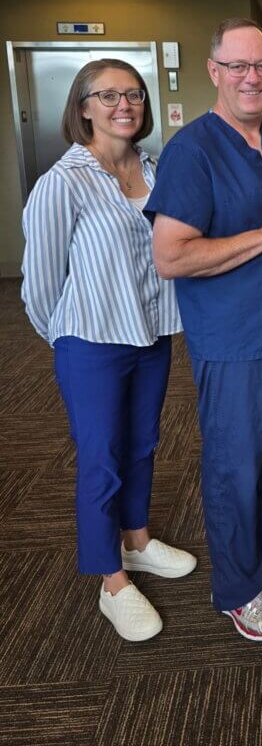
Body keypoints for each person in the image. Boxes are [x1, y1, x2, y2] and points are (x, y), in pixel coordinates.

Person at [147, 18, 262, 644]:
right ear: (214, 72)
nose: (252, 77)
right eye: (238, 66)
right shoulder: (192, 151)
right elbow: (171, 256)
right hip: (233, 340)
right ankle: (237, 587)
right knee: (234, 466)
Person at [21, 59, 196, 643]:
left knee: (143, 441)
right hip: (91, 340)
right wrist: (66, 336)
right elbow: (41, 283)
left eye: (134, 94)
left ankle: (137, 540)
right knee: (101, 456)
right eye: (109, 95)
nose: (125, 105)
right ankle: (111, 578)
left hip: (151, 331)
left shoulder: (155, 169)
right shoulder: (63, 181)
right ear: (84, 107)